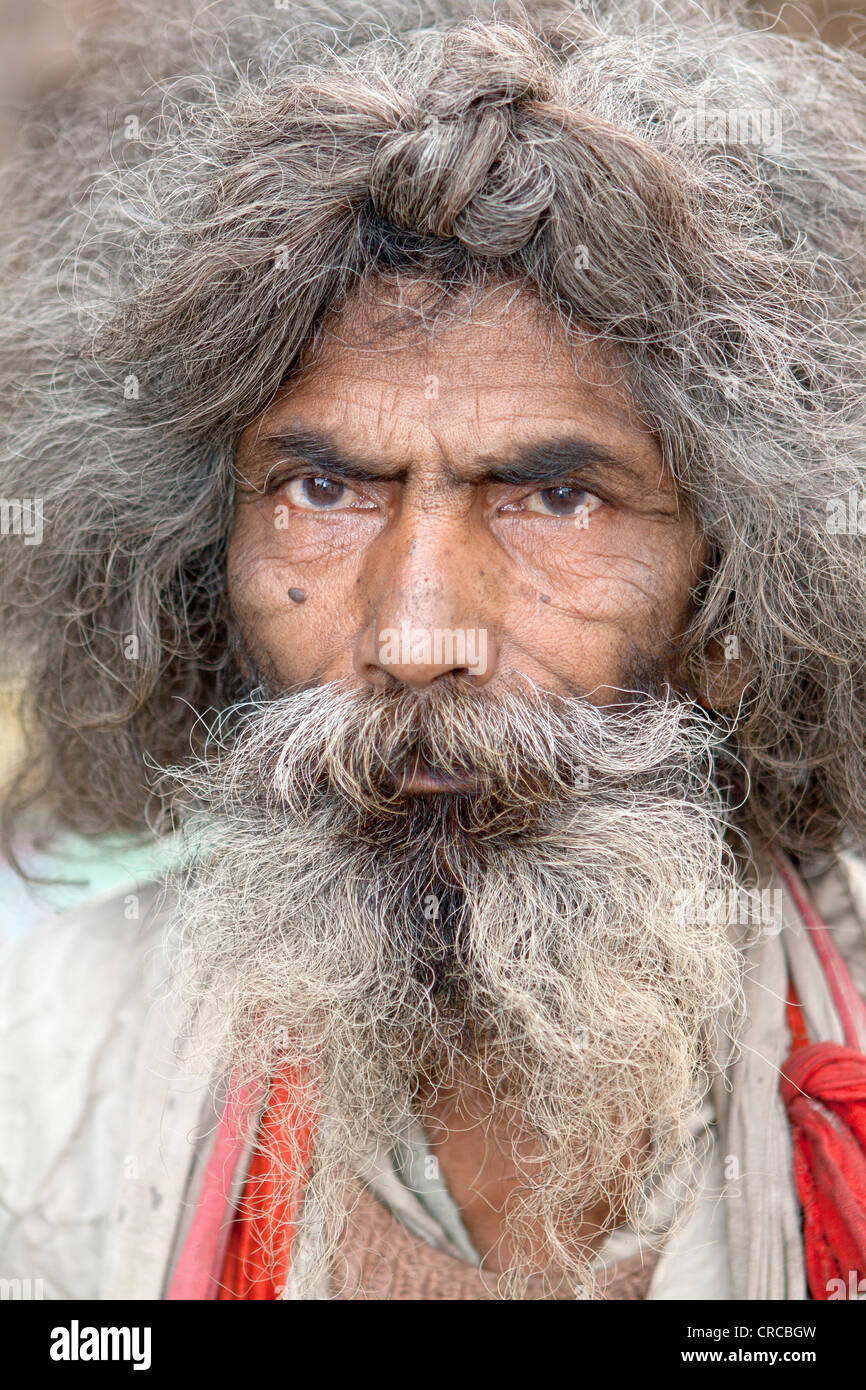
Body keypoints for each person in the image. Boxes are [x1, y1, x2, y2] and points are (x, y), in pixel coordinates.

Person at [2, 0, 866, 1301]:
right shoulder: (46, 1065)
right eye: (323, 490)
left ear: (739, 584)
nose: (415, 635)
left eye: (556, 498)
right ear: (194, 560)